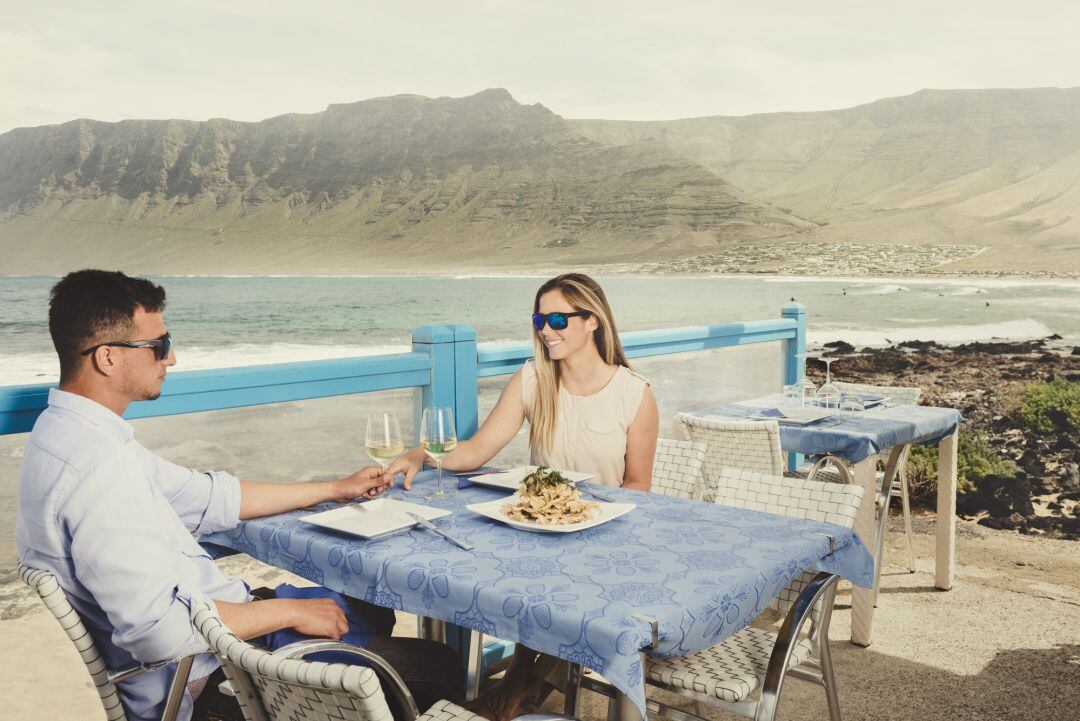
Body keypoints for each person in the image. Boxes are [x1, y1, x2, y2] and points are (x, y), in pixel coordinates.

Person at [15, 270, 463, 721]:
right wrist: (288, 611)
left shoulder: (71, 435)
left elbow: (210, 496)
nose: (170, 359)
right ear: (108, 358)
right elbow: (160, 633)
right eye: (160, 345)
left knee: (367, 598)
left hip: (219, 638)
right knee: (439, 665)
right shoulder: (96, 470)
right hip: (211, 682)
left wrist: (333, 489)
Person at [388, 272, 659, 720]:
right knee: (500, 567)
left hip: (606, 536)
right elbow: (478, 450)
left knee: (569, 586)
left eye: (557, 319)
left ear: (593, 321)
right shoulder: (533, 380)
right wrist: (422, 454)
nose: (545, 329)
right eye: (539, 318)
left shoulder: (635, 394)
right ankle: (525, 679)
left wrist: (585, 516)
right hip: (539, 529)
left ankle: (520, 678)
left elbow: (639, 486)